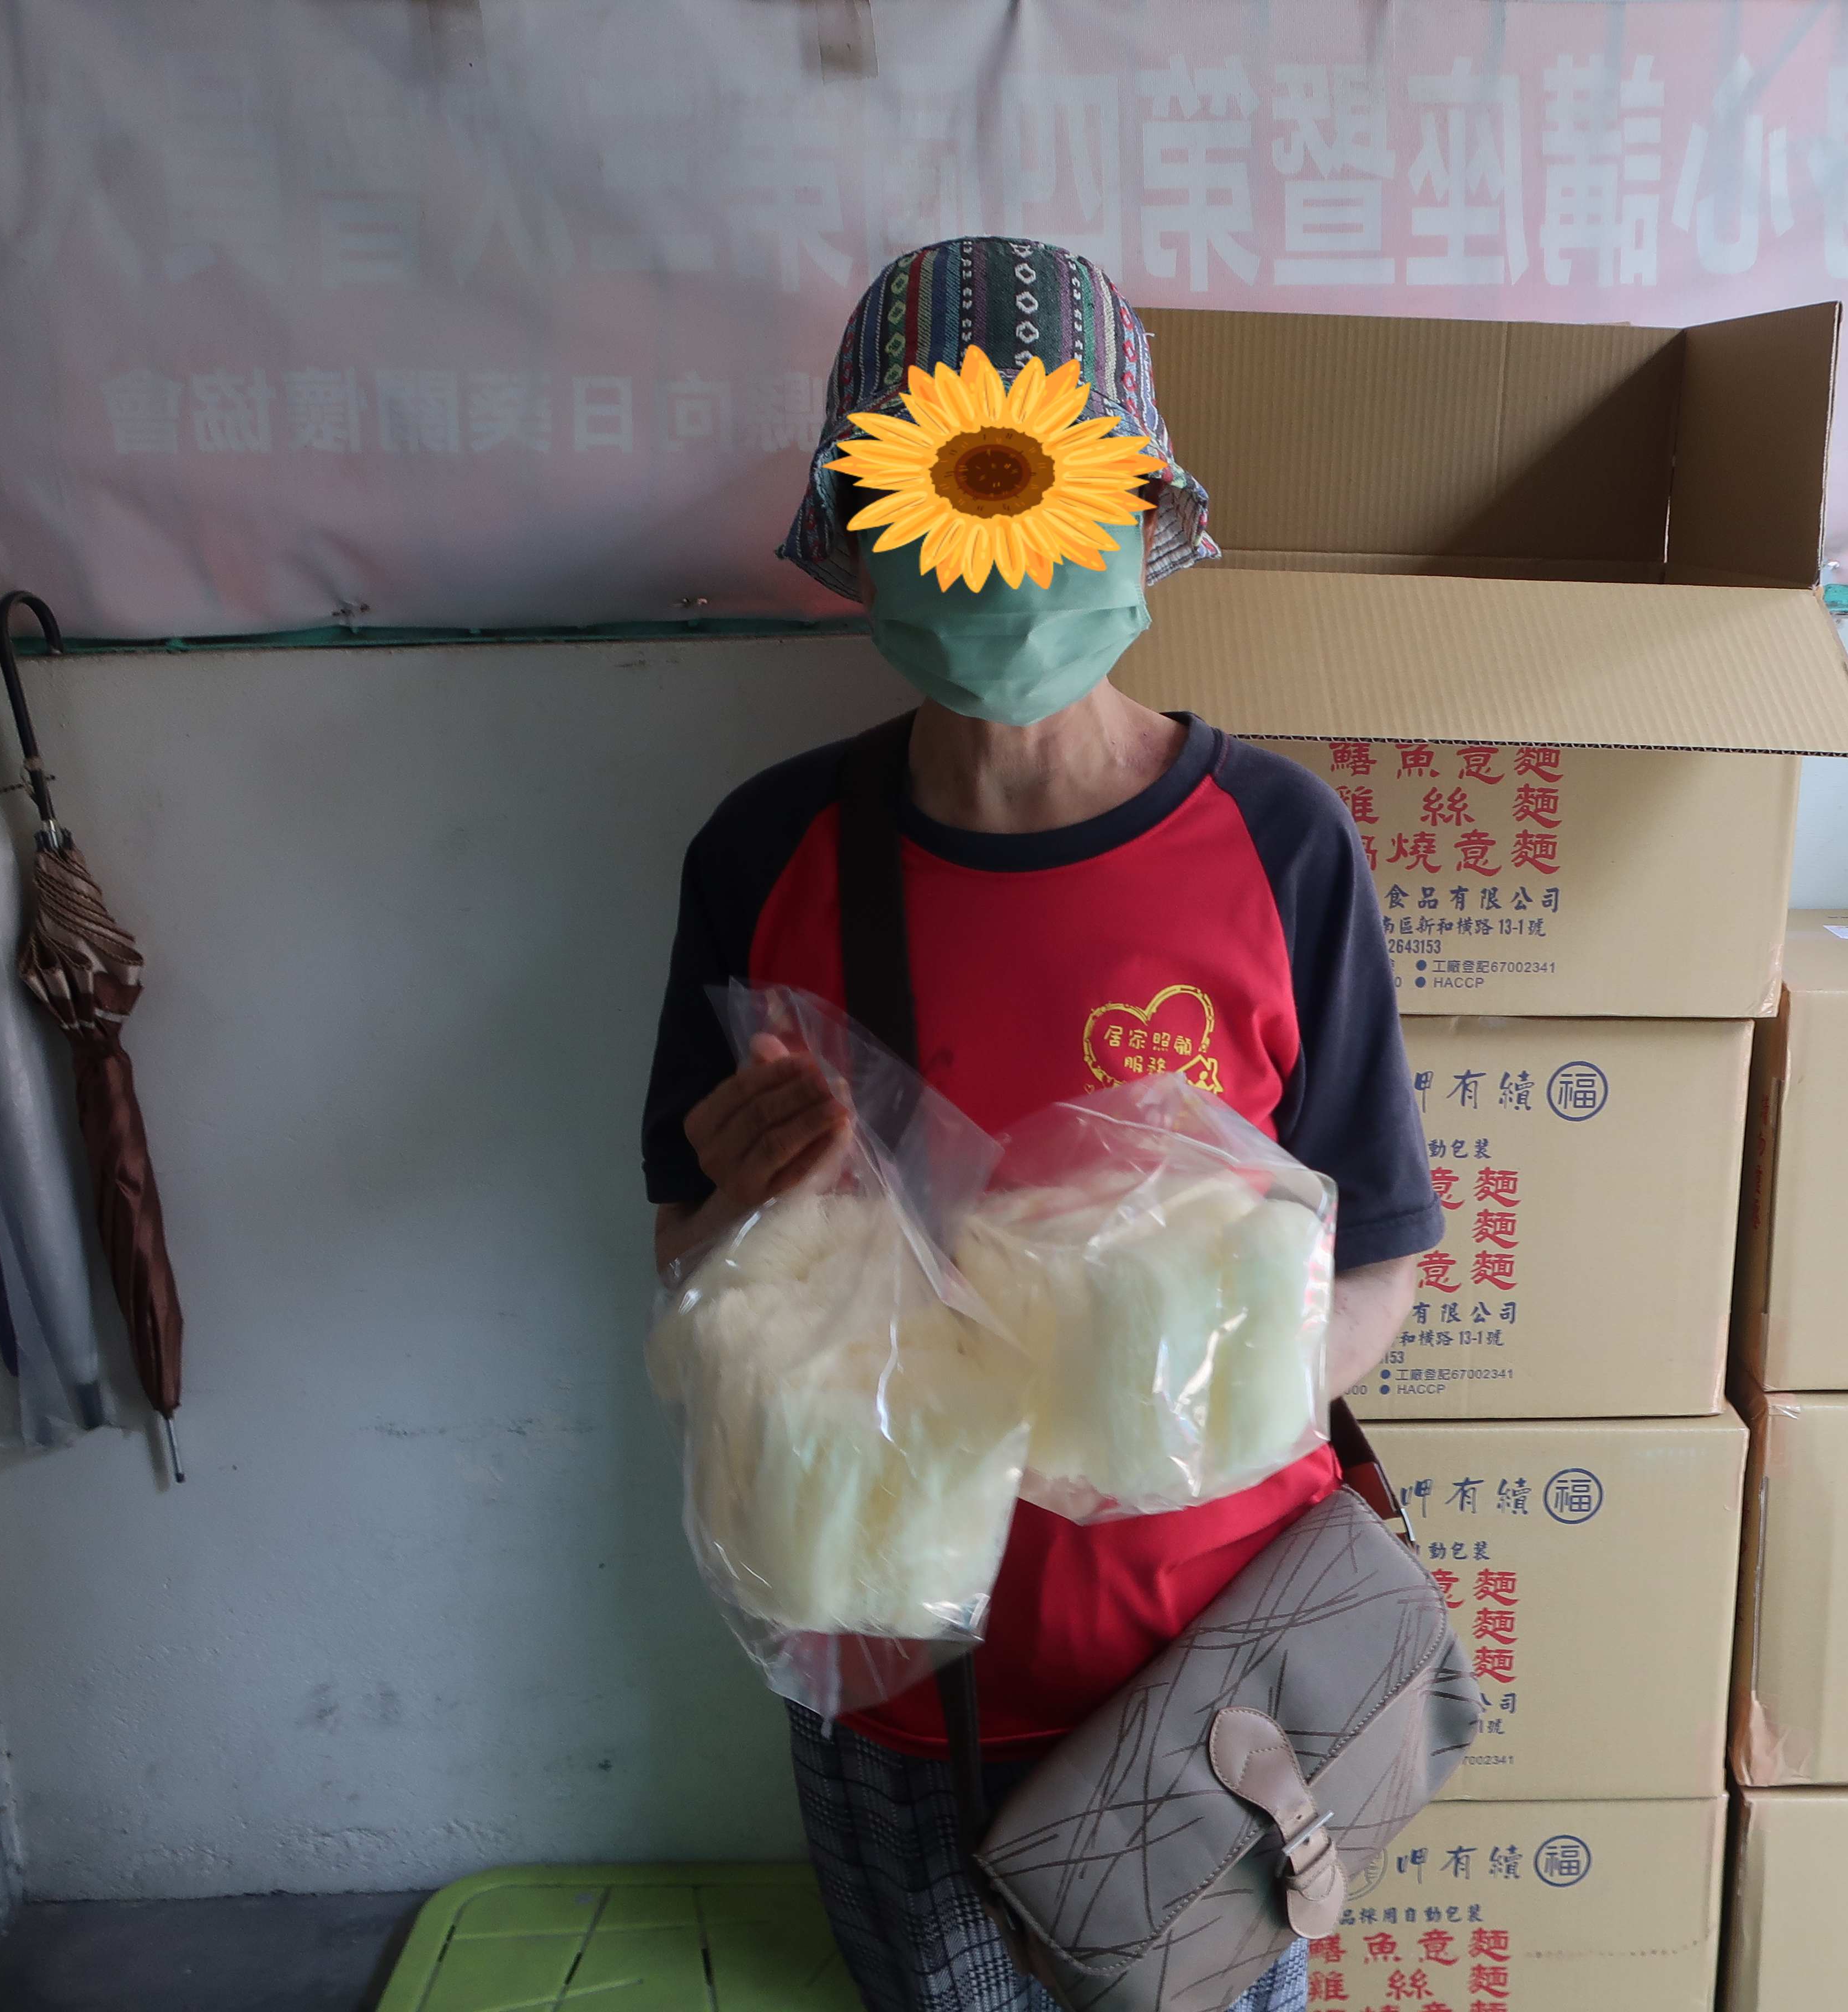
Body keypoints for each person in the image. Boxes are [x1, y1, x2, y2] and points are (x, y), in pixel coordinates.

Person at [640, 238, 1438, 2012]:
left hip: (1213, 1686)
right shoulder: (767, 854)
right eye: (938, 493)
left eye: (1047, 485)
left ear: (1140, 514)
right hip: (901, 1700)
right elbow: (683, 1255)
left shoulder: (1280, 843)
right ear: (866, 531)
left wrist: (1157, 1425)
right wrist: (745, 1213)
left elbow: (1377, 1261)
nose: (997, 559)